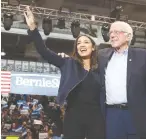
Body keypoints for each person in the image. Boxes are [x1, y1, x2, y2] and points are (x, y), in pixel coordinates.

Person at [24, 6, 105, 139]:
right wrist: (33, 29)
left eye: (86, 42)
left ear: (93, 47)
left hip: (97, 117)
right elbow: (44, 52)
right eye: (79, 43)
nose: (82, 45)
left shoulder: (102, 68)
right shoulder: (67, 63)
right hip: (73, 115)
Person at [98, 21, 146, 139]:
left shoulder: (143, 56)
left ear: (128, 36)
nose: (112, 35)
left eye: (117, 32)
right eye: (111, 32)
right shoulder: (101, 55)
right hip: (111, 116)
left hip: (137, 114)